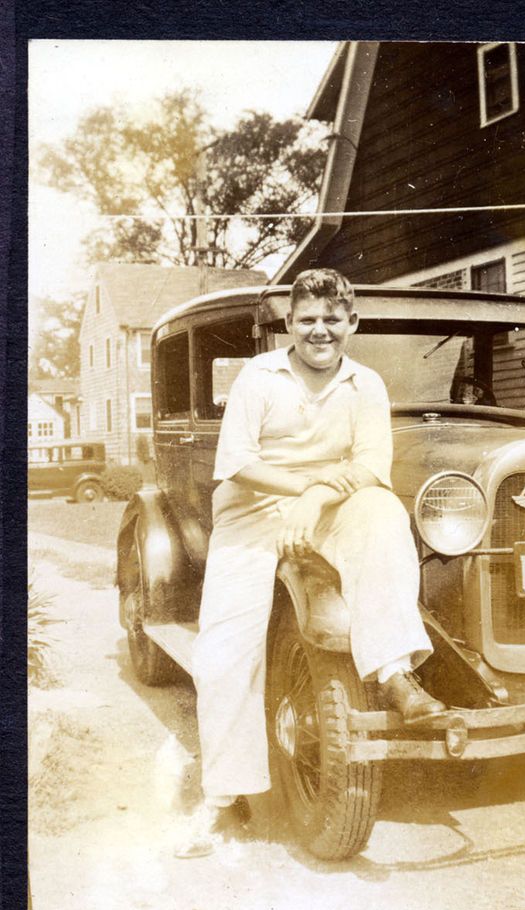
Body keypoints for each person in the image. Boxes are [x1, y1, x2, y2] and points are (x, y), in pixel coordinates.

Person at [178, 269, 446, 856]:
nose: (319, 331)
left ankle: (396, 674)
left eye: (331, 319)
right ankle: (222, 800)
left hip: (326, 505)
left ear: (352, 323)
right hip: (252, 515)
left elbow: (372, 465)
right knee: (223, 654)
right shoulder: (260, 375)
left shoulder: (365, 385)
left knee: (381, 512)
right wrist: (306, 488)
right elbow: (238, 463)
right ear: (289, 324)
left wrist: (317, 496)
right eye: (307, 320)